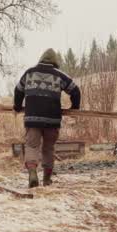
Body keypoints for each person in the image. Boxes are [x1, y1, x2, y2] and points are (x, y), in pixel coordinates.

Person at [13, 48, 81, 188]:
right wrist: (75, 107)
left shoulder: (29, 73)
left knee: (32, 146)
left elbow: (18, 90)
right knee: (48, 148)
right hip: (52, 119)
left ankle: (32, 173)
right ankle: (47, 179)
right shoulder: (59, 75)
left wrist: (17, 106)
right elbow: (75, 91)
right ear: (55, 61)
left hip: (32, 118)